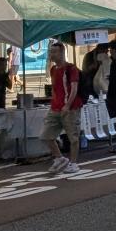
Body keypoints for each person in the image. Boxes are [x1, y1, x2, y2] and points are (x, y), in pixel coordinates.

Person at [42, 41, 84, 176]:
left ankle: (73, 163)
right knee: (47, 135)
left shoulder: (71, 68)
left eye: (54, 52)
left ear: (62, 53)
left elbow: (74, 88)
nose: (52, 55)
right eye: (50, 52)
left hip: (71, 108)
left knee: (73, 137)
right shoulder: (53, 69)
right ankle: (59, 157)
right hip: (55, 107)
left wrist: (67, 105)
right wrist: (53, 103)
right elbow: (55, 88)